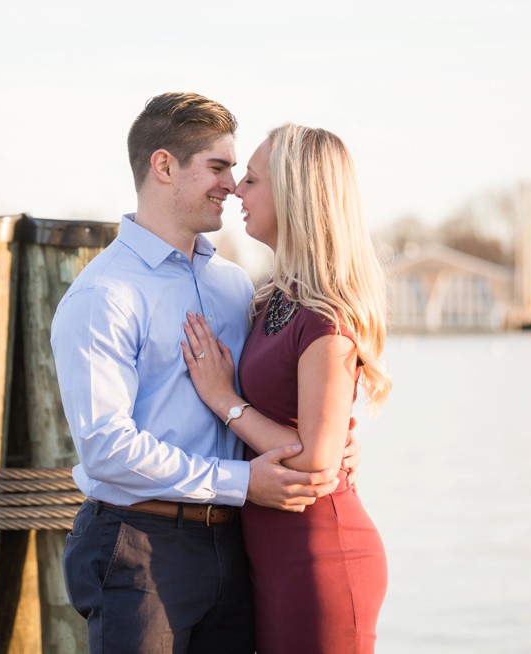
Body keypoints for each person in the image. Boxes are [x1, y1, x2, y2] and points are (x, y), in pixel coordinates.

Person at [50, 93, 361, 654]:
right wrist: (245, 483)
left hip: (237, 545)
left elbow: (278, 394)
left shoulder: (235, 286)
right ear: (164, 166)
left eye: (238, 171)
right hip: (138, 547)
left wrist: (330, 444)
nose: (232, 185)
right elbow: (106, 448)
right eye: (217, 167)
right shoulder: (104, 294)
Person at [180, 123, 392, 654]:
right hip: (269, 556)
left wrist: (223, 398)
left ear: (294, 193)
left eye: (250, 179)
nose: (235, 189)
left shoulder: (326, 318)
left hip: (320, 557)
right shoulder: (271, 299)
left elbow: (317, 460)